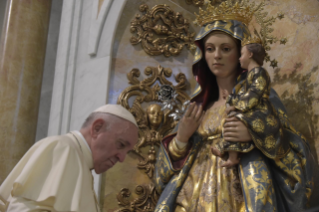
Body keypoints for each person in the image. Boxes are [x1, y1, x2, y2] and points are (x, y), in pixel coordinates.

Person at [154, 12, 319, 212]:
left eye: (225, 49)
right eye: (210, 49)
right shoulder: (199, 107)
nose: (216, 56)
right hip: (192, 194)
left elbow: (292, 147)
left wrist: (255, 133)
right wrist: (181, 139)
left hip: (241, 193)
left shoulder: (261, 97)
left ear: (242, 53)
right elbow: (162, 177)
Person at [0, 104, 138, 212]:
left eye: (127, 151)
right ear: (97, 128)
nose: (122, 158)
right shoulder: (62, 149)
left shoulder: (82, 163)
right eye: (121, 145)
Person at [211, 37, 282, 168]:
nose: (239, 58)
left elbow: (254, 94)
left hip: (260, 111)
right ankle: (227, 152)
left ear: (250, 54)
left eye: (241, 54)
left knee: (235, 118)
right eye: (210, 49)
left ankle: (227, 151)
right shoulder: (243, 78)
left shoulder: (260, 73)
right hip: (249, 109)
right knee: (232, 119)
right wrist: (230, 100)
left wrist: (235, 105)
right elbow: (239, 93)